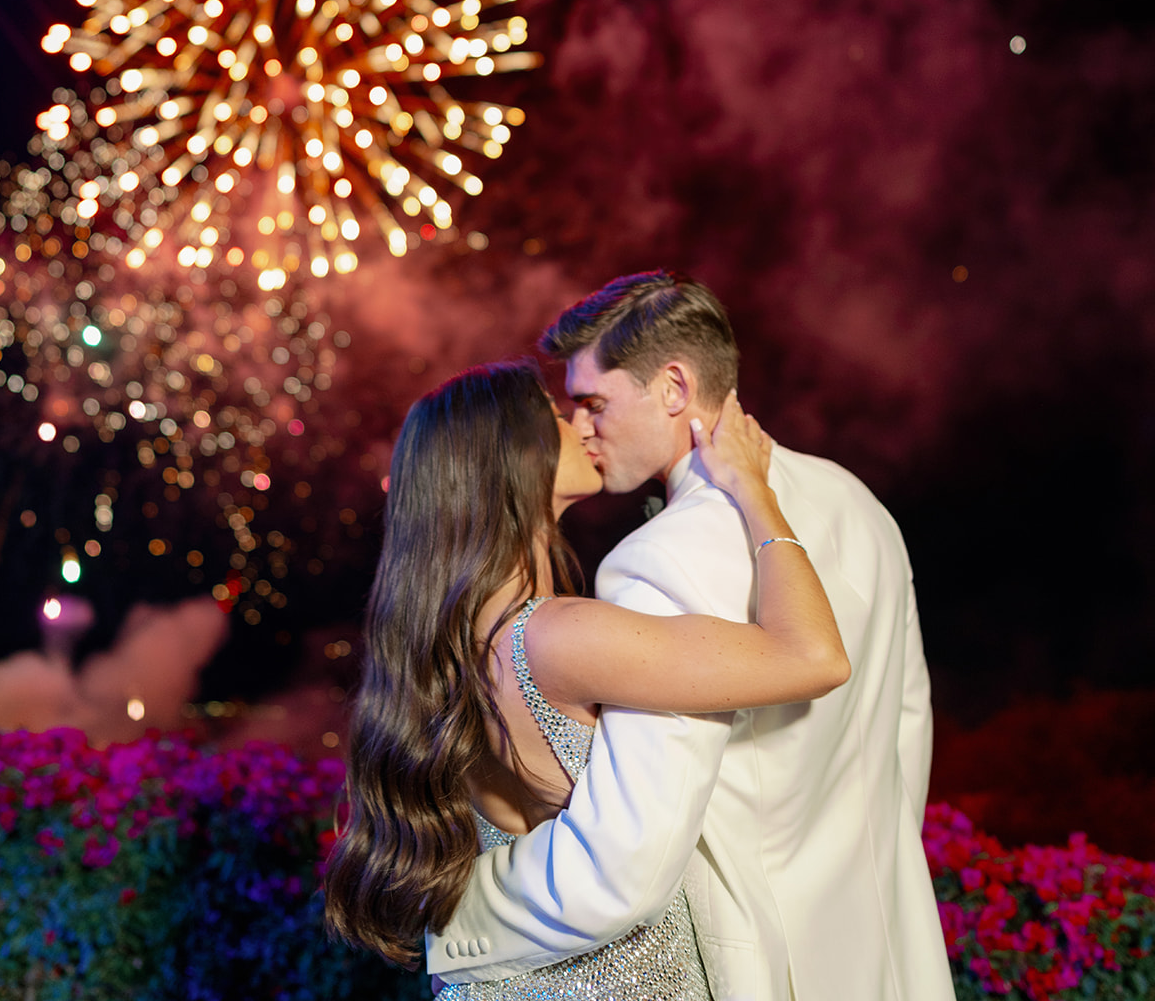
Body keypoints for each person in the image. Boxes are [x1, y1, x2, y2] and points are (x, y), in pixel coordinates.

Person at [428, 272, 956, 1001]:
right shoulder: (855, 501)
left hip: (763, 963)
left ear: (673, 387)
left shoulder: (655, 559)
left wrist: (455, 918)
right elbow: (905, 733)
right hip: (887, 944)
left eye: (593, 402)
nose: (583, 428)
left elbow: (632, 855)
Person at [325, 356, 849, 998]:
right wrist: (756, 495)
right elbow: (815, 656)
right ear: (516, 457)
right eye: (555, 416)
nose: (580, 424)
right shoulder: (559, 636)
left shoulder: (444, 642)